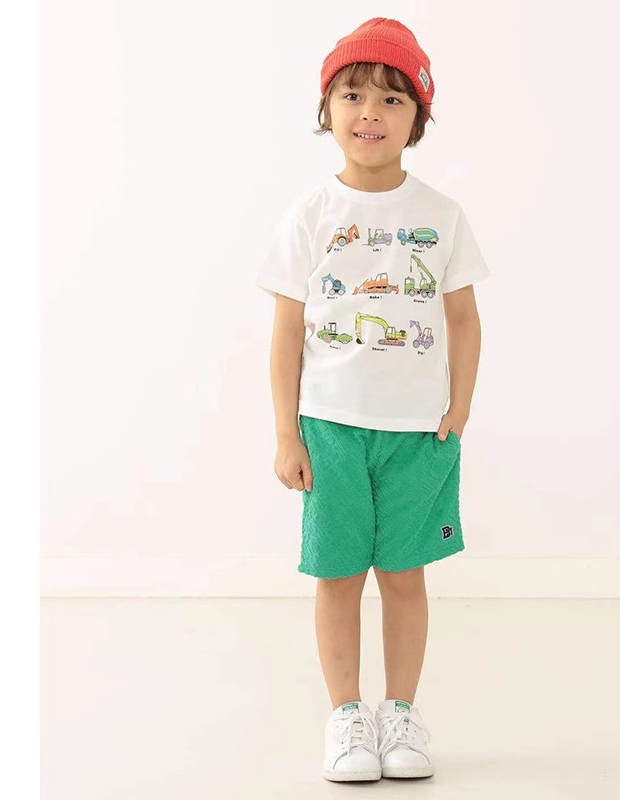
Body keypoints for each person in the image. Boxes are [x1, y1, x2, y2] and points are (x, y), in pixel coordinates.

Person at [254, 17, 492, 783]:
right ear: (326, 109)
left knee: (405, 578)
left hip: (418, 432)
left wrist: (460, 407)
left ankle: (402, 713)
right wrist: (286, 433)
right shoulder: (309, 215)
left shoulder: (441, 216)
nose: (370, 113)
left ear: (417, 117)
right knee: (337, 576)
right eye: (352, 95)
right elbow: (286, 334)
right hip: (329, 427)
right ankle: (346, 717)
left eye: (392, 99)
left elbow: (463, 318)